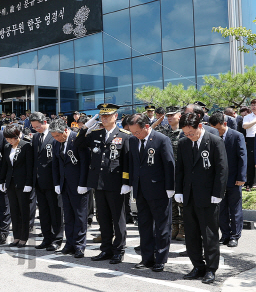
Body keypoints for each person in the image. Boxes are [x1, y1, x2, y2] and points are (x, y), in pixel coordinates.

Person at [75, 103, 131, 265]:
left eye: (108, 115)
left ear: (116, 117)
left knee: (118, 219)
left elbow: (127, 161)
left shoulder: (125, 135)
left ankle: (118, 250)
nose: (104, 118)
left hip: (116, 184)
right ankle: (106, 248)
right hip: (98, 183)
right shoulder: (95, 134)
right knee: (103, 218)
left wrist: (126, 182)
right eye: (102, 115)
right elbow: (78, 143)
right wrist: (86, 126)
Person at [175, 112, 228, 284]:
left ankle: (211, 269)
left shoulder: (214, 141)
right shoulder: (183, 143)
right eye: (185, 133)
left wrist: (217, 193)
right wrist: (179, 191)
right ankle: (197, 266)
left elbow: (222, 169)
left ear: (199, 126)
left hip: (208, 196)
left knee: (209, 234)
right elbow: (180, 169)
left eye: (191, 133)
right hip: (189, 196)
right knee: (191, 234)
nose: (189, 136)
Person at [127, 113, 175, 273]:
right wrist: (129, 183)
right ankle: (147, 258)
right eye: (133, 132)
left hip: (159, 190)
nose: (135, 135)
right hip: (140, 190)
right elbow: (133, 164)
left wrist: (170, 187)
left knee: (162, 226)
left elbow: (169, 164)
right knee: (144, 226)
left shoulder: (162, 140)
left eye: (137, 132)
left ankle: (160, 259)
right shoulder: (133, 141)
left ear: (146, 127)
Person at [50, 119, 90, 258]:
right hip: (64, 184)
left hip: (78, 184)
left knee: (80, 216)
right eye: (53, 136)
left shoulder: (77, 140)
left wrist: (83, 183)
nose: (55, 138)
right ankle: (70, 244)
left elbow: (85, 163)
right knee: (68, 216)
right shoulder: (56, 143)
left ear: (65, 130)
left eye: (57, 135)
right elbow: (55, 164)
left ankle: (79, 245)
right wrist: (56, 183)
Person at [209, 112, 246, 248]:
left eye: (218, 128)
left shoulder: (237, 136)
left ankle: (235, 236)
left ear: (225, 124)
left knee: (235, 208)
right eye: (214, 129)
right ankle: (225, 235)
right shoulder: (212, 137)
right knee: (221, 209)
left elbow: (242, 157)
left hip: (234, 179)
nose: (216, 131)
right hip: (218, 180)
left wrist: (241, 177)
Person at [30, 112, 64, 251]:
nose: (36, 129)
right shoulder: (36, 137)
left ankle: (57, 239)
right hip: (39, 181)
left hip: (52, 180)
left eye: (38, 127)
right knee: (43, 212)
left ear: (44, 122)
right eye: (34, 127)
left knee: (55, 212)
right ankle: (46, 238)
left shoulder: (54, 135)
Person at [0, 124, 34, 248]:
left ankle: (24, 237)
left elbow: (30, 167)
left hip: (23, 183)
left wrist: (29, 183)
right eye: (7, 139)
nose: (8, 141)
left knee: (23, 211)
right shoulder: (7, 147)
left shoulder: (26, 146)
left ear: (17, 135)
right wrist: (2, 181)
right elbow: (5, 165)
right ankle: (16, 236)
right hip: (11, 183)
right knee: (13, 210)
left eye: (10, 138)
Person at [154, 106, 186, 241]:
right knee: (171, 202)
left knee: (182, 202)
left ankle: (184, 228)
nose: (170, 118)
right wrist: (159, 120)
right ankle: (174, 226)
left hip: (182, 172)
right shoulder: (164, 131)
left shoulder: (185, 132)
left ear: (180, 116)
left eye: (173, 115)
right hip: (168, 172)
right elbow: (150, 129)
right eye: (168, 116)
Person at [241, 99, 256, 190]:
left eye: (255, 105)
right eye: (252, 105)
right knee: (250, 162)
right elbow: (245, 126)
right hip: (251, 139)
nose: (254, 107)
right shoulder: (248, 117)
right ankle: (249, 183)